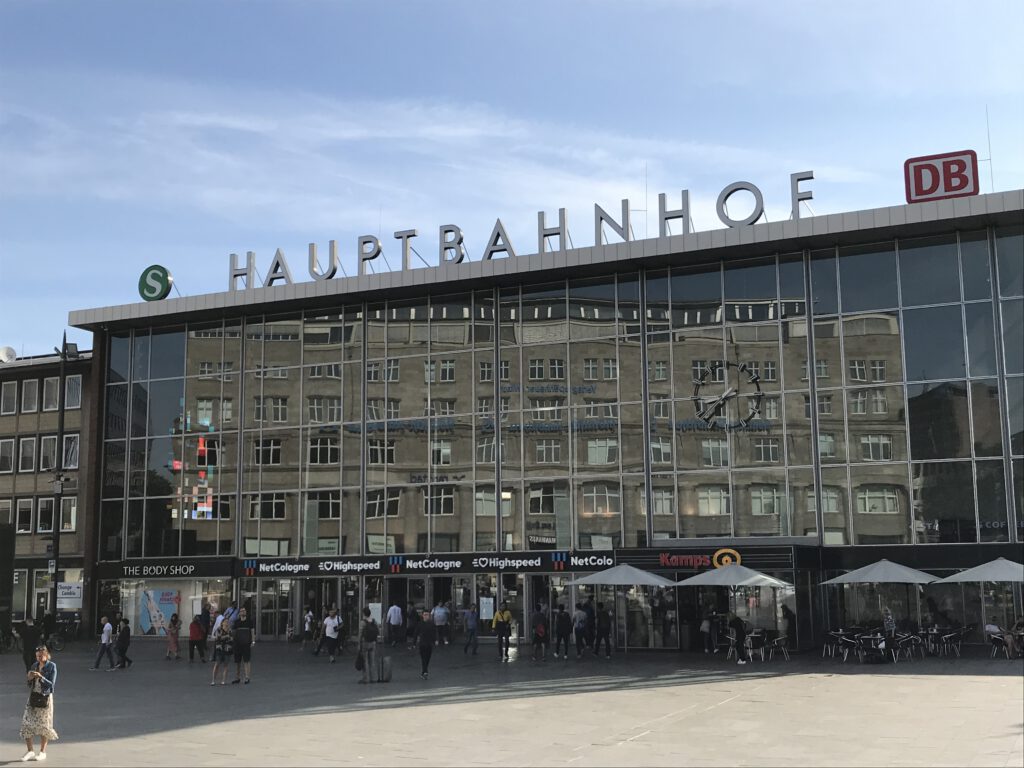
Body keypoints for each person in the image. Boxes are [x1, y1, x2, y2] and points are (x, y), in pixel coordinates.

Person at [20, 645, 58, 762]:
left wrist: (41, 677)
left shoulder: (52, 666)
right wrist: (30, 678)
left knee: (44, 725)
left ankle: (42, 752)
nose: (39, 658)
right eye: (37, 656)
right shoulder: (34, 665)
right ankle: (30, 750)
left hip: (45, 697)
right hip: (33, 697)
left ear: (46, 655)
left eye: (41, 656)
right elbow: (29, 683)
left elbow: (51, 684)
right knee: (26, 723)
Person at [232, 607, 255, 684]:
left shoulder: (250, 621)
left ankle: (247, 677)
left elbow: (252, 631)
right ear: (239, 613)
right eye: (241, 611)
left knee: (246, 661)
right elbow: (234, 633)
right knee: (237, 661)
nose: (243, 612)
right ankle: (237, 677)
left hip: (246, 644)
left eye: (244, 611)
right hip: (237, 644)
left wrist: (253, 641)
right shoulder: (236, 622)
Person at [358, 607, 380, 684]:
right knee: (372, 661)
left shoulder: (363, 622)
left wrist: (359, 644)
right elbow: (378, 631)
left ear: (364, 614)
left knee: (365, 661)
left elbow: (360, 634)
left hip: (365, 643)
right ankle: (374, 678)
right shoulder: (374, 621)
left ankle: (366, 678)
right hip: (373, 643)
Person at [210, 618, 233, 686]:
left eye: (227, 622)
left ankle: (223, 681)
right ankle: (213, 680)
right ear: (222, 623)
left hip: (227, 649)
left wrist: (226, 638)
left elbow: (232, 639)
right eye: (225, 622)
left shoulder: (230, 630)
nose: (226, 623)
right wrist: (226, 636)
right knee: (217, 664)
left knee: (226, 665)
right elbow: (217, 638)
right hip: (219, 649)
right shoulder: (219, 629)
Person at [416, 610, 437, 679]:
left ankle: (423, 672)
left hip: (429, 643)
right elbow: (415, 633)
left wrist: (436, 640)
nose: (426, 616)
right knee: (423, 658)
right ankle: (425, 672)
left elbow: (435, 632)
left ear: (429, 616)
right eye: (425, 614)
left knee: (428, 658)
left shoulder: (432, 624)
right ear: (422, 615)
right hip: (422, 644)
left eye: (427, 615)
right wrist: (414, 643)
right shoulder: (419, 624)